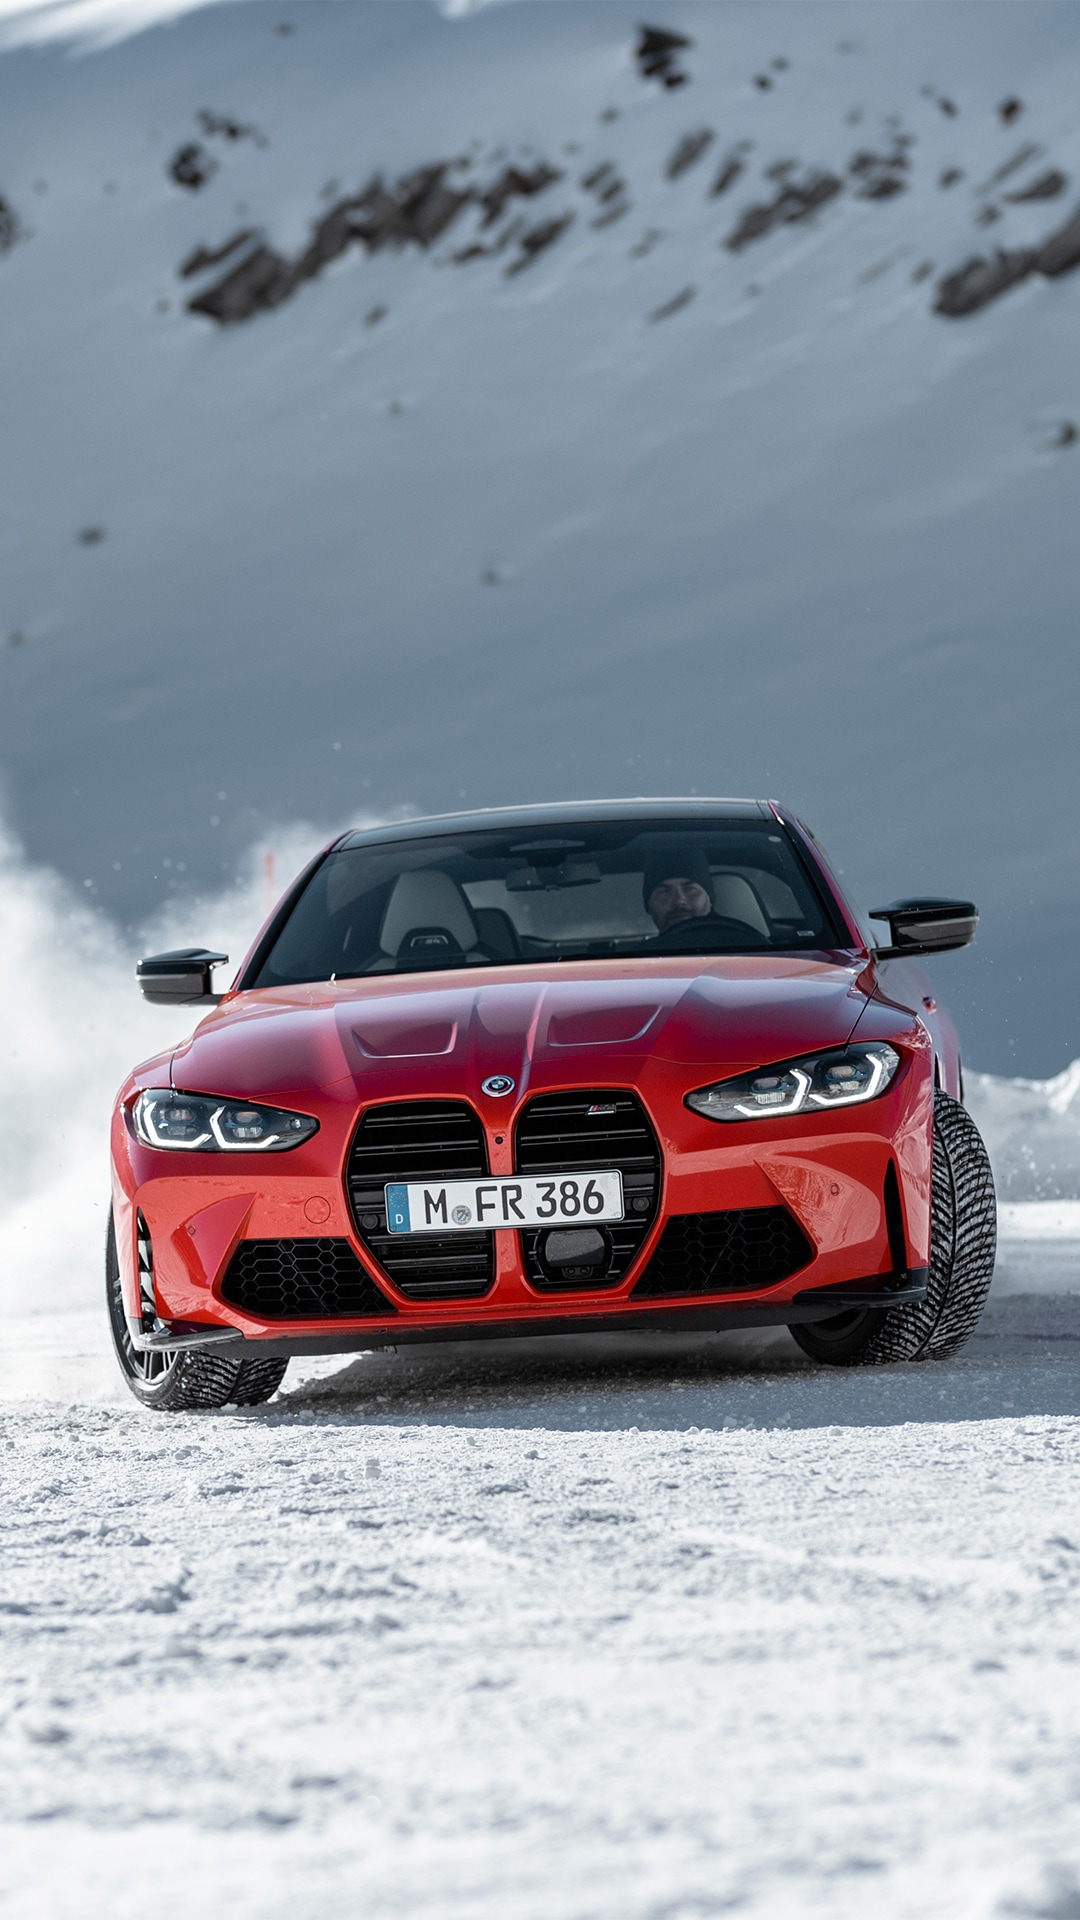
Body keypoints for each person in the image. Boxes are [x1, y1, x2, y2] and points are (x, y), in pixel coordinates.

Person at [642, 850, 716, 934]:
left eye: (690, 889)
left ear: (709, 899)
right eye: (664, 892)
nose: (679, 900)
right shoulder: (645, 948)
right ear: (649, 906)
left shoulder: (732, 941)